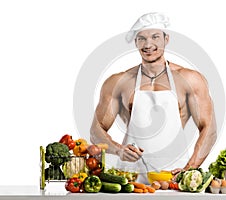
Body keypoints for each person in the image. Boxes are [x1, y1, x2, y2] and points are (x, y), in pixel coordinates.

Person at [90, 12, 217, 183]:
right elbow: (96, 130)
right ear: (135, 42)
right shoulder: (118, 82)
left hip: (173, 177)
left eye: (155, 37)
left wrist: (189, 170)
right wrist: (118, 150)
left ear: (166, 39)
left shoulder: (190, 79)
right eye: (141, 38)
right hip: (130, 179)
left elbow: (209, 129)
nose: (148, 44)